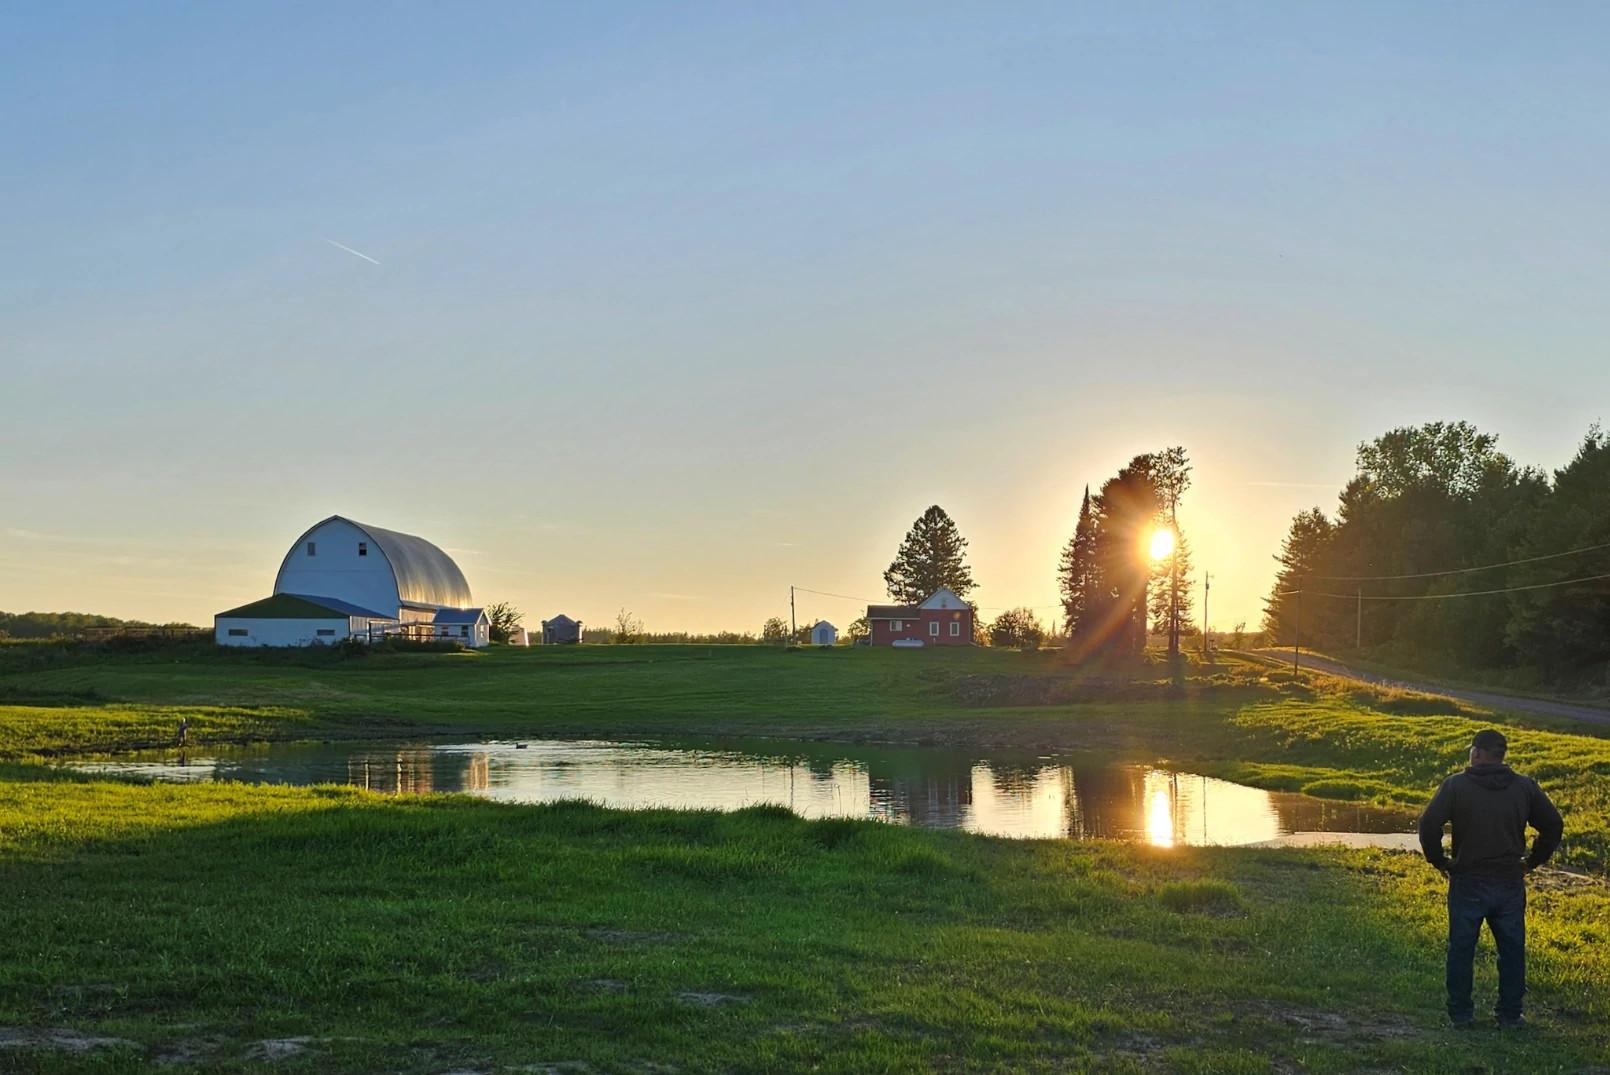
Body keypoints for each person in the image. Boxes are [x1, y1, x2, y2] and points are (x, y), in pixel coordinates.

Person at [1418, 729, 1564, 1029]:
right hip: (1509, 881)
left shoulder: (1456, 785)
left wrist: (1440, 861)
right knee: (1511, 951)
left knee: (1461, 950)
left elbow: (1428, 823)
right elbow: (1553, 824)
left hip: (1468, 881)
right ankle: (1509, 1015)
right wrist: (1533, 862)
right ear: (1501, 755)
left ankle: (1460, 1015)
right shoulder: (1525, 786)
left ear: (1476, 753)